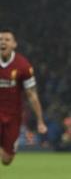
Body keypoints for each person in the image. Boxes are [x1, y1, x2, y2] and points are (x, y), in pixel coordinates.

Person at [0, 30, 47, 165]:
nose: (3, 42)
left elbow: (32, 95)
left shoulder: (23, 66)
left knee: (7, 160)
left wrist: (40, 121)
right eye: (0, 39)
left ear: (14, 44)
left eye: (7, 39)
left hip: (13, 116)